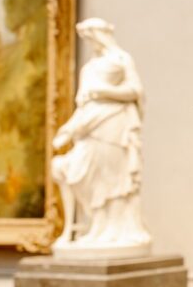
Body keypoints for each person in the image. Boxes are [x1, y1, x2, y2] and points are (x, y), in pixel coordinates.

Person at [52, 17, 149, 250]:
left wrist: (104, 91)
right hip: (89, 126)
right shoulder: (89, 67)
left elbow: (135, 91)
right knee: (86, 175)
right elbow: (83, 104)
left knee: (112, 178)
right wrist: (67, 131)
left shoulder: (121, 59)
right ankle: (95, 228)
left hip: (114, 124)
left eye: (90, 37)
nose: (90, 42)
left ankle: (113, 231)